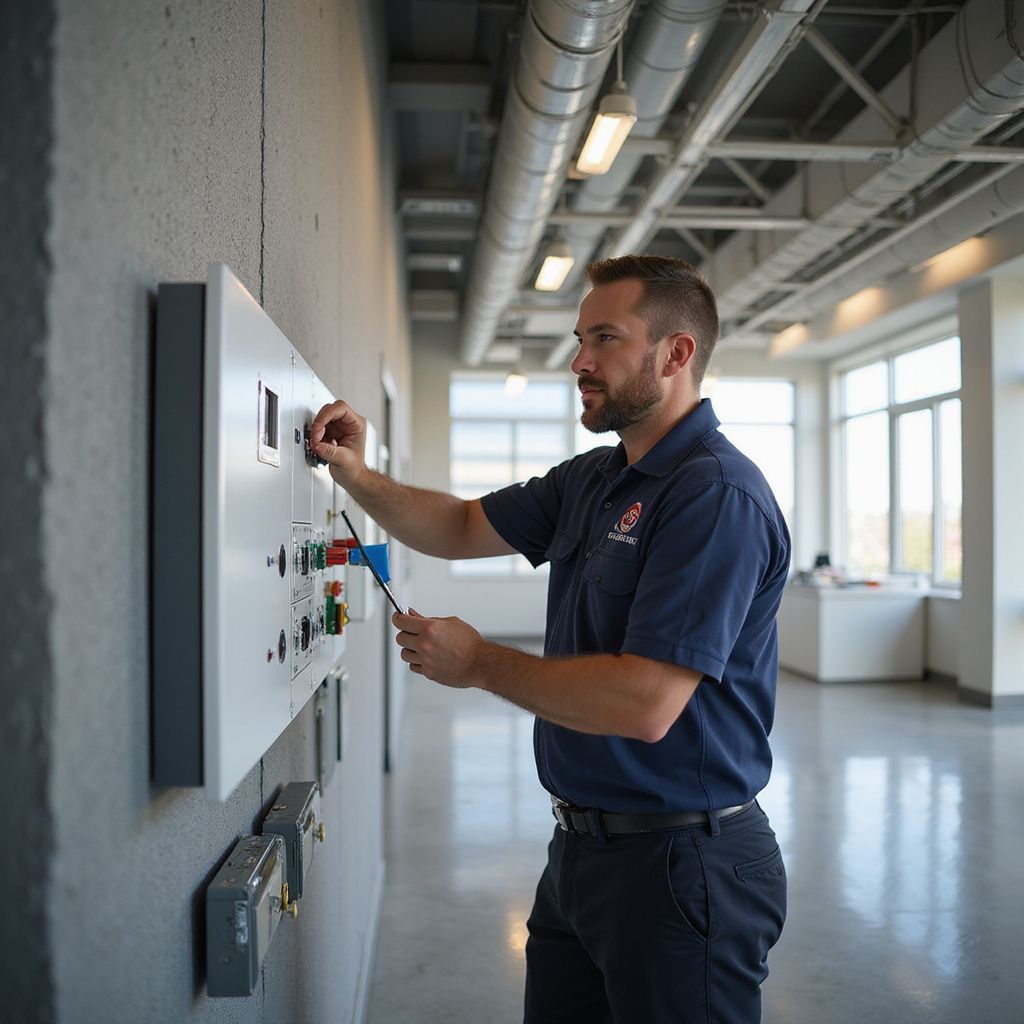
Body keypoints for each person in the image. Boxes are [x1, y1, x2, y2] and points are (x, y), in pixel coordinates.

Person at [310, 254, 790, 1024]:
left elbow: (646, 703)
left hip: (681, 866)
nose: (580, 361)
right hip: (580, 852)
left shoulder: (715, 497)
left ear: (676, 354)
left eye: (605, 339)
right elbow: (462, 524)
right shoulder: (595, 479)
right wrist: (357, 477)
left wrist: (481, 665)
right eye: (580, 338)